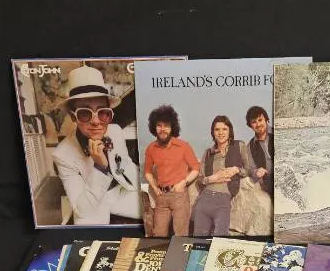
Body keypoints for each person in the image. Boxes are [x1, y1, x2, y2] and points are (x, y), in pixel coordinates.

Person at [52, 65, 141, 225]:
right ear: (73, 117)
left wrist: (144, 184)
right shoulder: (62, 155)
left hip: (124, 190)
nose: (95, 121)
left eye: (103, 112)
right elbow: (83, 209)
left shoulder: (115, 131)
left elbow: (126, 163)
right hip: (93, 205)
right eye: (84, 113)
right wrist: (100, 167)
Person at [142, 105, 200, 236]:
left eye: (166, 126)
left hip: (179, 195)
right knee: (158, 234)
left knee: (181, 235)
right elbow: (147, 171)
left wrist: (183, 183)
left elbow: (196, 168)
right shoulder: (151, 148)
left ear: (172, 127)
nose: (162, 129)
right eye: (159, 125)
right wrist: (154, 188)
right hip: (161, 197)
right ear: (154, 127)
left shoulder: (183, 146)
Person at [192, 116, 246, 236]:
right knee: (199, 241)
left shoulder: (239, 145)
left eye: (224, 129)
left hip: (224, 200)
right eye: (217, 129)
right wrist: (211, 179)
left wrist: (236, 169)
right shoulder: (208, 152)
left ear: (230, 131)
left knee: (220, 239)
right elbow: (200, 178)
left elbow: (248, 169)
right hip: (205, 199)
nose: (221, 133)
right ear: (213, 132)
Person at [245, 105, 273, 194]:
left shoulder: (279, 133)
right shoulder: (250, 147)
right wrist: (256, 172)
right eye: (254, 122)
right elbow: (251, 170)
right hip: (268, 189)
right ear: (250, 125)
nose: (258, 124)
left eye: (260, 120)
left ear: (266, 119)